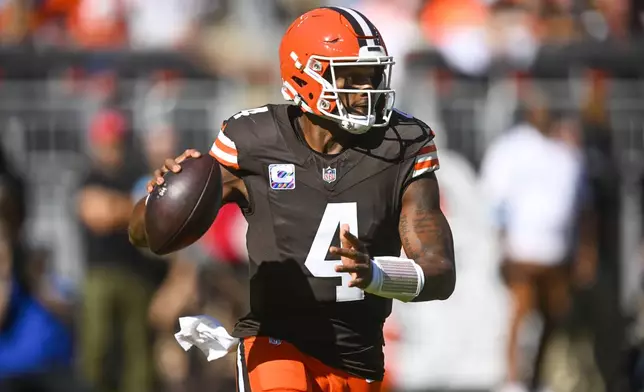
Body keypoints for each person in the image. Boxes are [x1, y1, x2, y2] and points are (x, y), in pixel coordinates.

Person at [129, 7, 456, 392]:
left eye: (371, 76)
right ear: (305, 76)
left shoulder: (403, 145)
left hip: (359, 355)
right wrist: (160, 194)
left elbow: (439, 273)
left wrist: (377, 274)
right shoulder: (253, 139)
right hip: (275, 343)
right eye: (349, 77)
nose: (365, 91)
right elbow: (146, 233)